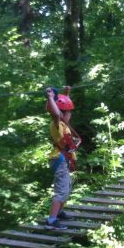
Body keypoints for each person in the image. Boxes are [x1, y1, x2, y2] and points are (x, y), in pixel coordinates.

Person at [44, 85, 81, 227]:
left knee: (66, 189)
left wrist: (66, 94)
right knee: (60, 191)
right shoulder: (57, 123)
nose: (70, 114)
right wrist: (50, 98)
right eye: (68, 112)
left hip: (64, 160)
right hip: (59, 159)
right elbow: (56, 114)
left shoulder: (64, 125)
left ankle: (59, 212)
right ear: (62, 113)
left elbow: (64, 108)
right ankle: (51, 220)